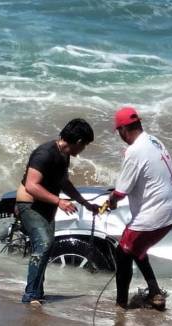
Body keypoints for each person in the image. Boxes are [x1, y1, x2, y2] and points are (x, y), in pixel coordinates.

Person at [107, 107, 172, 311]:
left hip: (156, 213)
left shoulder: (134, 151)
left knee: (123, 252)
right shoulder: (154, 141)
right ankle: (155, 293)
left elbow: (120, 192)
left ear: (123, 130)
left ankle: (120, 306)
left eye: (119, 131)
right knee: (137, 248)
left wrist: (111, 201)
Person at [16, 118, 99, 305]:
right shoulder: (44, 153)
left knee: (45, 248)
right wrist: (59, 201)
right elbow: (31, 186)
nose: (83, 149)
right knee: (44, 245)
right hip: (30, 205)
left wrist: (85, 203)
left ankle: (37, 293)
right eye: (84, 145)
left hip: (46, 206)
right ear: (79, 142)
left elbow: (63, 183)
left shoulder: (64, 155)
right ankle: (30, 296)